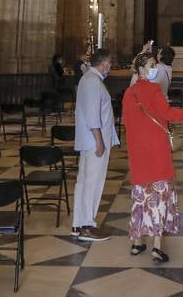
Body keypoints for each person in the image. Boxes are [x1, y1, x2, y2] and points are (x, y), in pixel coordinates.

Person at [122, 50, 183, 262]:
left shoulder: (128, 93)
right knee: (159, 198)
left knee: (141, 198)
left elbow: (126, 122)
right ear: (142, 69)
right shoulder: (153, 90)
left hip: (138, 152)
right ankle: (157, 247)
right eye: (152, 65)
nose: (155, 69)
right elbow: (168, 114)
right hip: (157, 152)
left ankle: (137, 243)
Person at [72, 48, 119, 242]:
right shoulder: (92, 81)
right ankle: (87, 227)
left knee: (84, 182)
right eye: (109, 64)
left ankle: (79, 224)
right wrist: (99, 141)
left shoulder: (90, 79)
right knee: (92, 183)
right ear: (105, 63)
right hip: (94, 142)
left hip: (90, 141)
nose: (110, 67)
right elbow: (93, 116)